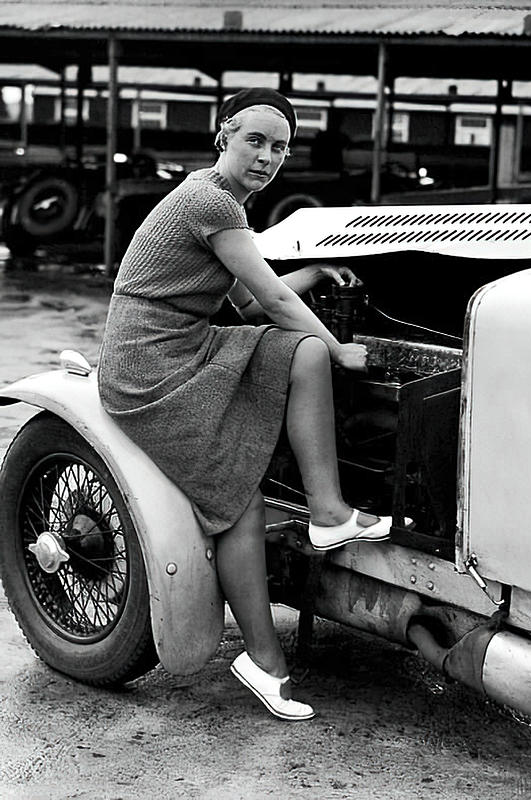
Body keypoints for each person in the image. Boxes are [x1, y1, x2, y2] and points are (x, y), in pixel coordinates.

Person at [97, 87, 392, 722]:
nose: (267, 157)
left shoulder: (221, 201)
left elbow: (254, 304)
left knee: (300, 353)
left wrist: (311, 274)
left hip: (185, 346)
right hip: (150, 369)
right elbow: (277, 310)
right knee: (239, 497)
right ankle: (263, 657)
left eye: (280, 147)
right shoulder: (210, 201)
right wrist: (342, 349)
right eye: (254, 141)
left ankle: (328, 510)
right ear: (223, 135)